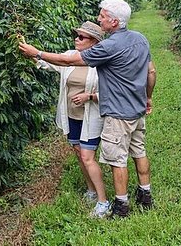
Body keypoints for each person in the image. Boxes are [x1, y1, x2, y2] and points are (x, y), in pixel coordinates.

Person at [19, 0, 156, 218]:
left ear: (113, 21)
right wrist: (147, 98)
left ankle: (121, 206)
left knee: (117, 159)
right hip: (137, 111)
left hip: (118, 113)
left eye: (102, 16)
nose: (99, 19)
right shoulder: (140, 39)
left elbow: (69, 61)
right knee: (139, 151)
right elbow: (151, 72)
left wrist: (38, 53)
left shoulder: (108, 47)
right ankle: (145, 195)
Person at [32, 21, 110, 218]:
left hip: (92, 116)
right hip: (72, 115)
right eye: (76, 35)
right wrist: (31, 53)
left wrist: (90, 96)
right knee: (78, 151)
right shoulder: (69, 56)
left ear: (94, 42)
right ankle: (91, 190)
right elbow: (48, 63)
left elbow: (113, 93)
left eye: (82, 37)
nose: (77, 39)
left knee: (87, 156)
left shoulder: (102, 63)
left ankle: (103, 201)